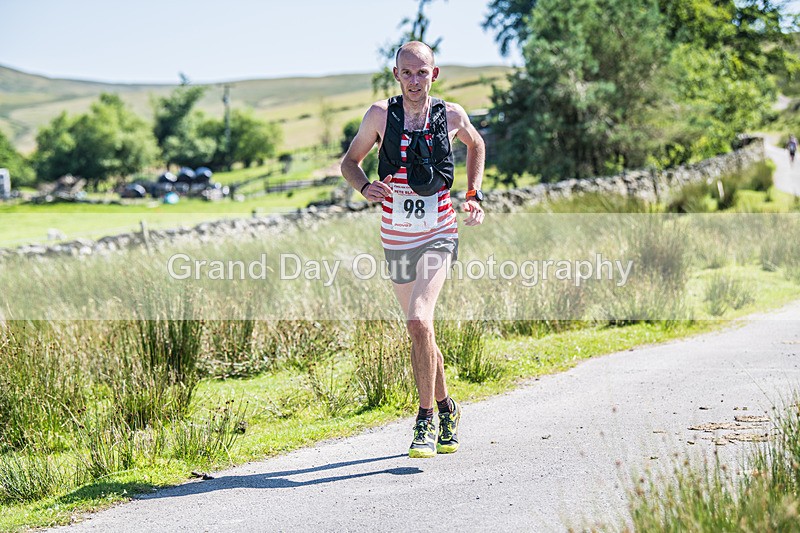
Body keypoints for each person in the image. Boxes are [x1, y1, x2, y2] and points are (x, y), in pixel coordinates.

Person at [341, 41, 486, 458]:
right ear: (396, 75)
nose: (415, 80)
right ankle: (447, 408)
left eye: (423, 72)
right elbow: (349, 163)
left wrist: (473, 195)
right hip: (396, 234)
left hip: (440, 229)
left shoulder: (451, 115)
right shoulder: (379, 116)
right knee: (420, 329)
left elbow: (475, 144)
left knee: (420, 319)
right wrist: (366, 186)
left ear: (434, 74)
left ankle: (423, 421)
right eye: (408, 73)